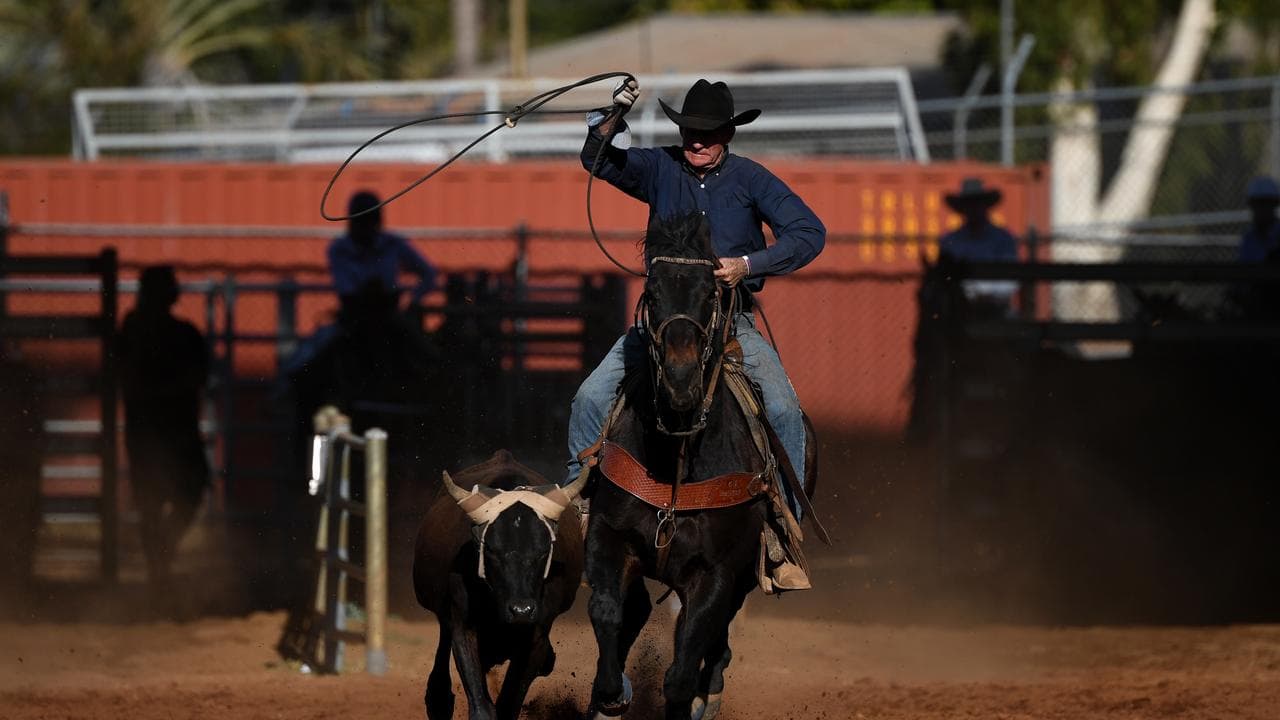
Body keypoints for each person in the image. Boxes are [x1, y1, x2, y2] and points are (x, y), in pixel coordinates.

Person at [567, 77, 826, 525]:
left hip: (729, 324)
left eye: (708, 133)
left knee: (783, 409)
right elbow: (599, 160)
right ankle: (580, 509)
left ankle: (784, 523)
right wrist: (615, 116)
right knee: (589, 399)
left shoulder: (750, 178)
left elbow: (809, 233)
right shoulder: (659, 168)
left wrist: (748, 264)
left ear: (728, 135)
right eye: (690, 131)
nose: (698, 141)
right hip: (661, 324)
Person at [118, 265, 210, 593]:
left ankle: (160, 560)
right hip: (167, 430)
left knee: (166, 498)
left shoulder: (147, 330)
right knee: (164, 498)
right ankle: (160, 564)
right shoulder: (165, 332)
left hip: (160, 430)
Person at [327, 190, 439, 308]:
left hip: (389, 314)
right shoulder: (339, 249)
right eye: (362, 221)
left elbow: (428, 273)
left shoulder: (392, 243)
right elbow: (347, 293)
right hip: (353, 317)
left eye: (369, 220)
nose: (365, 227)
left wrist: (413, 301)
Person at [938, 176, 1020, 310]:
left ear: (985, 206)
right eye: (969, 204)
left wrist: (988, 296)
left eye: (977, 204)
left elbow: (1010, 278)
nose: (973, 209)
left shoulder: (1003, 239)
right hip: (959, 309)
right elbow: (944, 278)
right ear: (962, 209)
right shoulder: (950, 241)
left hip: (997, 309)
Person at [1239, 175, 1280, 263]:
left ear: (1275, 204)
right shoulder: (1249, 238)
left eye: (1267, 203)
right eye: (1257, 203)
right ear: (1251, 205)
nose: (1262, 209)